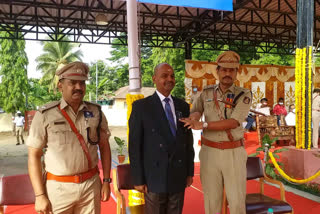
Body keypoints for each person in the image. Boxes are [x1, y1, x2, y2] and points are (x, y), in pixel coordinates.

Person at [27, 61, 112, 214]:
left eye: (82, 83)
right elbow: (34, 155)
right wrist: (39, 195)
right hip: (58, 189)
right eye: (73, 82)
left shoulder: (96, 112)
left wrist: (106, 180)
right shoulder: (45, 115)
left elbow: (104, 146)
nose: (79, 87)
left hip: (90, 187)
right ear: (60, 85)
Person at [180, 50, 251, 214]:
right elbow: (197, 110)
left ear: (236, 72)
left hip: (233, 152)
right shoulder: (206, 92)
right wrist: (193, 118)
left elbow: (233, 122)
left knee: (237, 203)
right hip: (209, 152)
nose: (227, 73)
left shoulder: (243, 94)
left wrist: (203, 125)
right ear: (217, 71)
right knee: (212, 202)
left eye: (231, 70)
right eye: (224, 69)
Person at [129, 63, 194, 214]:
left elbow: (187, 142)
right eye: (164, 76)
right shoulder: (141, 107)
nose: (169, 79)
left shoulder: (183, 106)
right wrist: (138, 179)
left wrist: (189, 171)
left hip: (178, 174)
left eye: (172, 76)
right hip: (154, 176)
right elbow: (135, 145)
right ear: (154, 79)